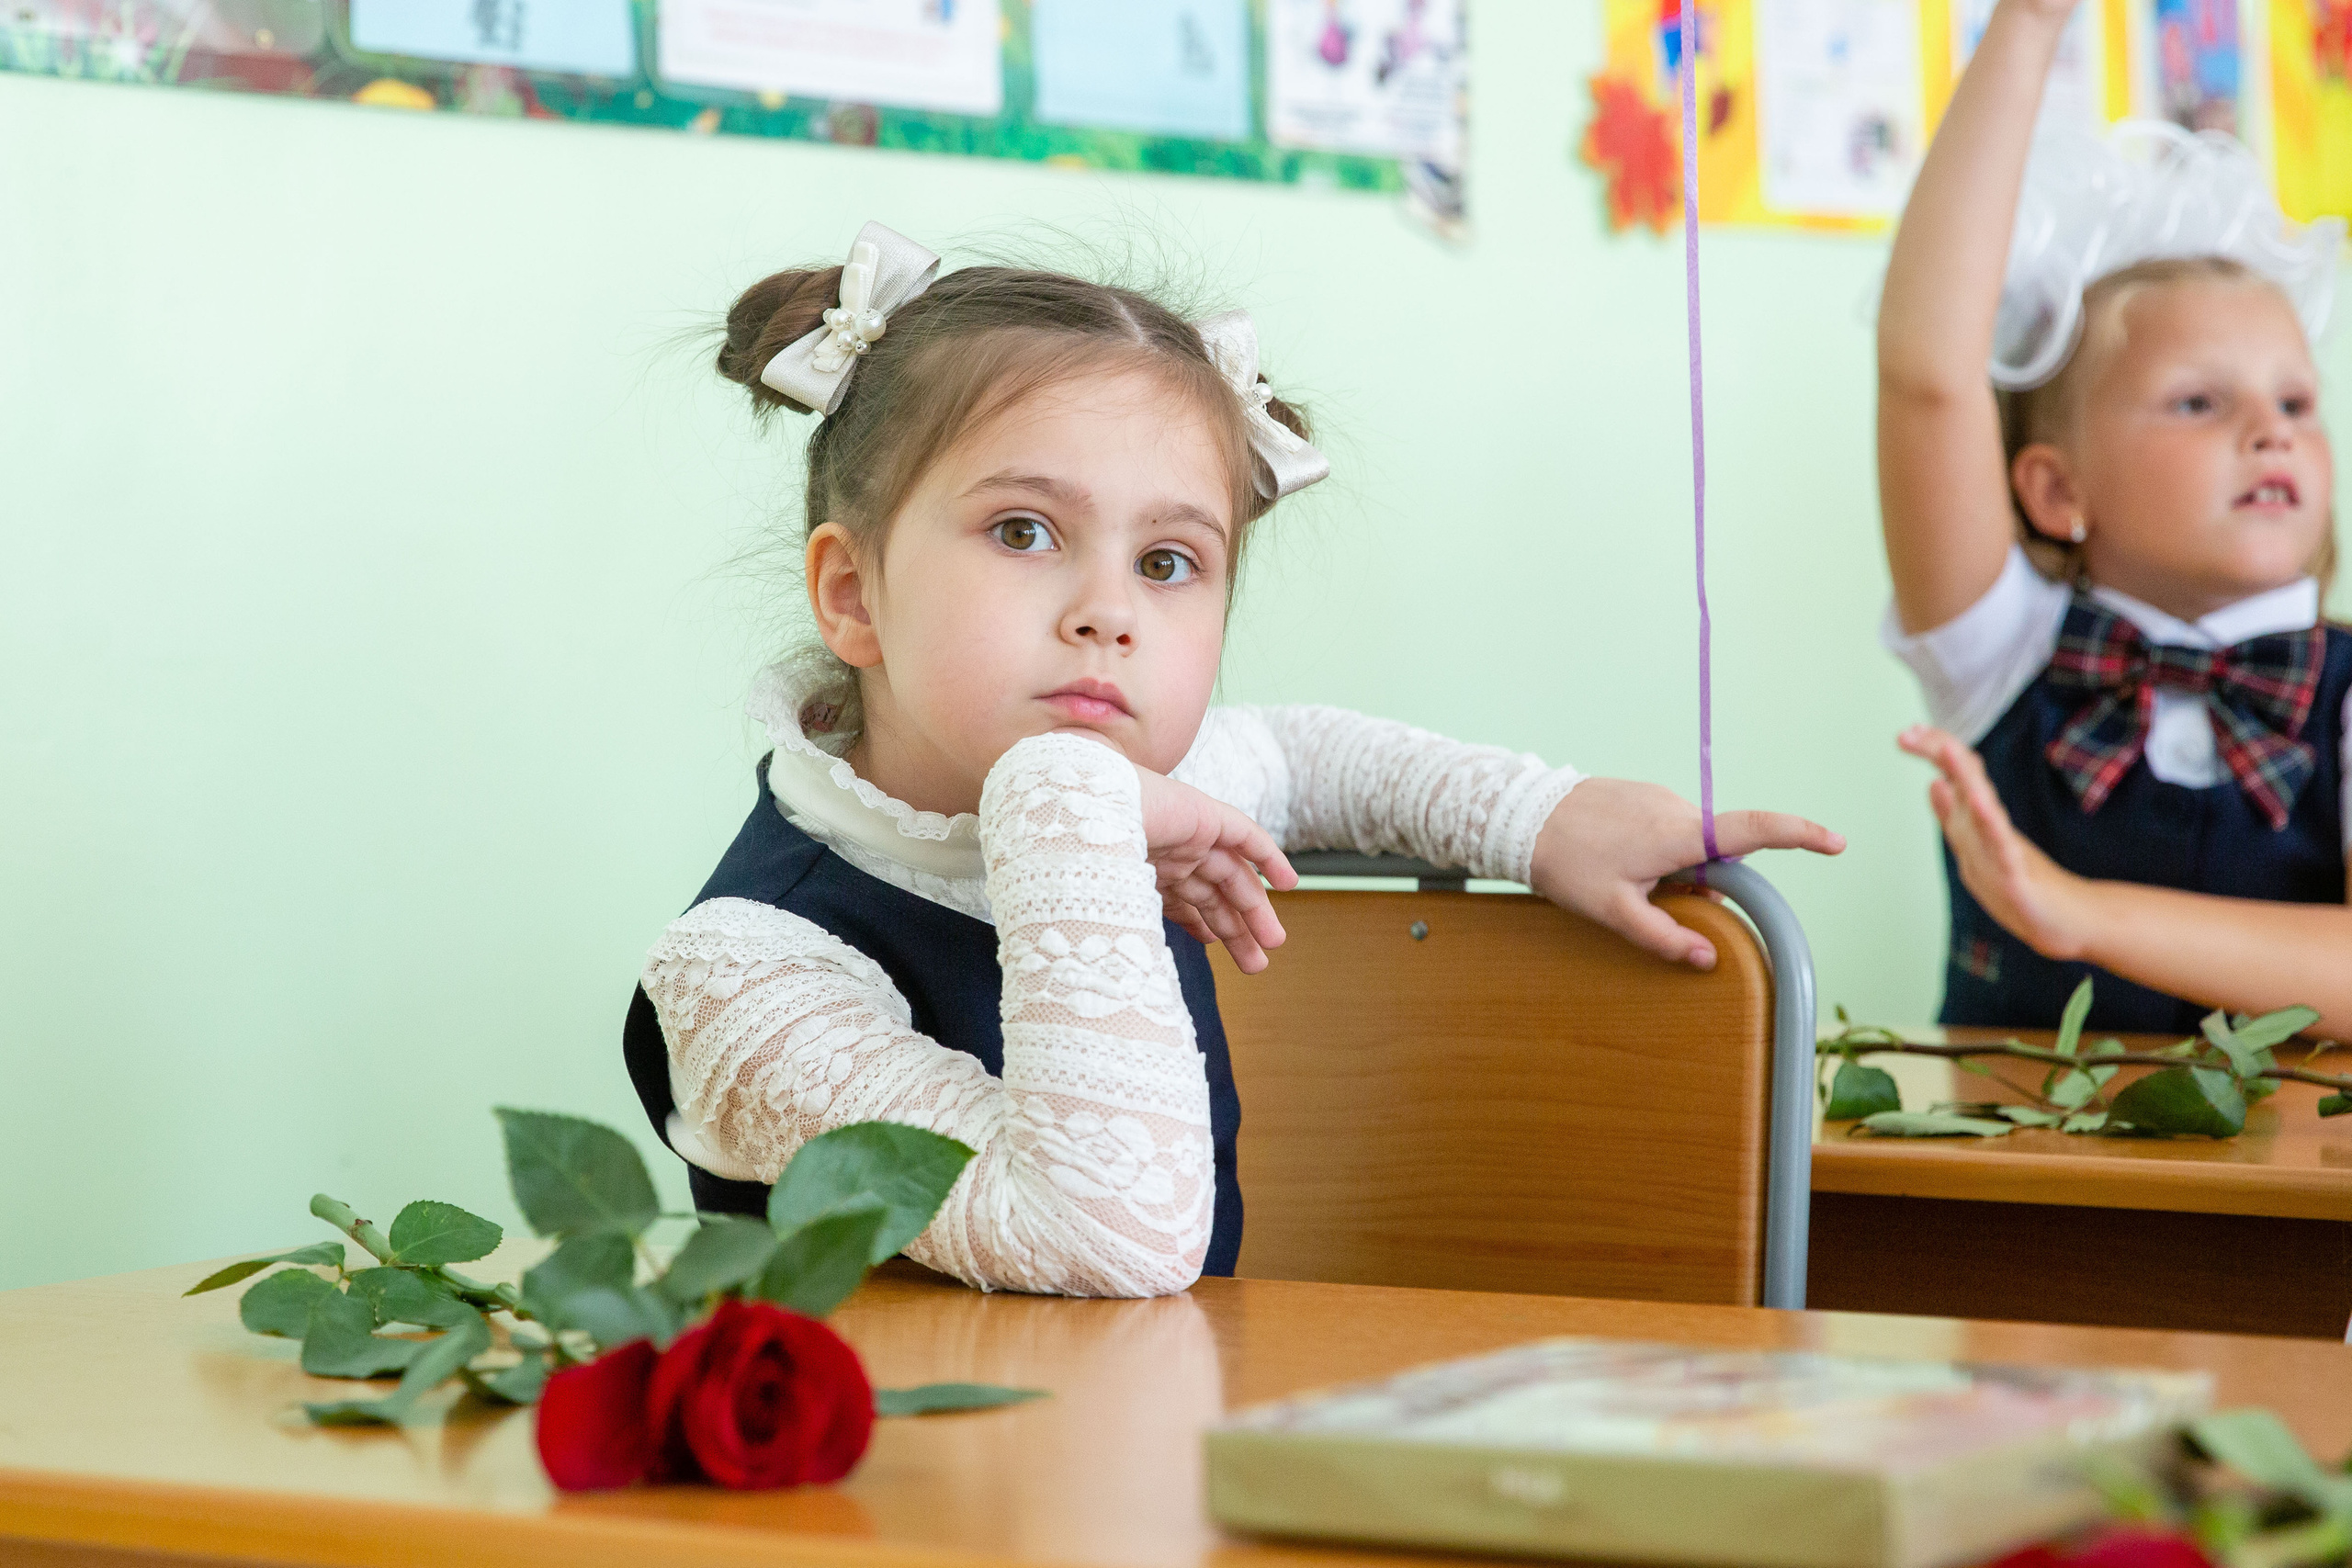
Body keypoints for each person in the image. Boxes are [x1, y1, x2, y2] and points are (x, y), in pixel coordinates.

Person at [623, 223, 1843, 1299]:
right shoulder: (746, 965)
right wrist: (1068, 801)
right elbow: (1101, 1235)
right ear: (853, 593)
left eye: (1168, 561)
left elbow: (1302, 753)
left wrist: (1544, 815)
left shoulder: (1156, 779)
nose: (1110, 611)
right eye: (1024, 530)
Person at [1875, 0, 2352, 1035]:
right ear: (2054, 489)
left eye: (2295, 403)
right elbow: (1927, 378)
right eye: (2198, 401)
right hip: (2013, 1190)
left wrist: (2079, 915)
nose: (2268, 432)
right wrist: (2030, 25)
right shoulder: (2001, 650)